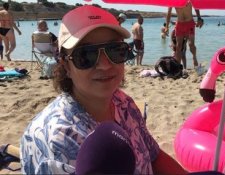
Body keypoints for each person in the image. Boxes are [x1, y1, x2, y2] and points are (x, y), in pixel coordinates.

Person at [20, 5, 187, 174]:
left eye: (115, 50)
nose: (105, 65)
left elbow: (154, 156)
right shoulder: (59, 140)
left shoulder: (122, 101)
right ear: (65, 66)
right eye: (85, 55)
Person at [165, 2, 204, 69]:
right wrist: (167, 26)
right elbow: (169, 12)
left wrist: (199, 18)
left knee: (191, 44)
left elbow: (196, 6)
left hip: (190, 23)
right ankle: (178, 67)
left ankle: (194, 58)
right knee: (178, 46)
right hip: (179, 24)